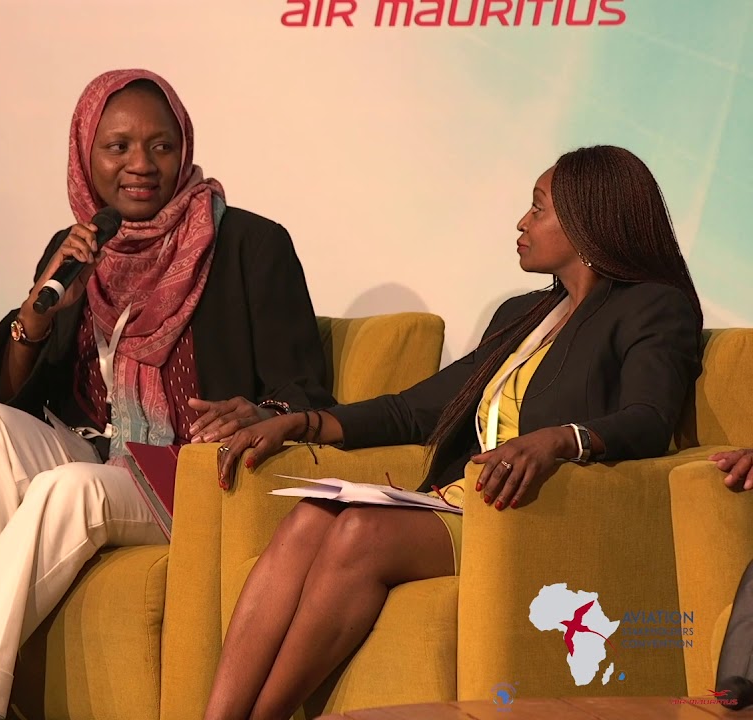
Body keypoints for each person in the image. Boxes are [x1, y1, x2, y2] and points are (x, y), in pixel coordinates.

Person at [0, 69, 333, 720]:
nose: (141, 165)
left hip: (189, 477)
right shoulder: (76, 250)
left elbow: (305, 391)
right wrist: (38, 313)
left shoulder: (250, 244)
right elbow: (7, 397)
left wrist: (260, 412)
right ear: (85, 155)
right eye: (118, 147)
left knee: (67, 488)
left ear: (184, 148)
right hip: (96, 452)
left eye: (161, 146)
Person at [204, 145, 704, 720]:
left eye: (538, 208)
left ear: (587, 220)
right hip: (459, 499)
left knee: (360, 532)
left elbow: (648, 418)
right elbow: (414, 410)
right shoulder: (522, 314)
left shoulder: (652, 308)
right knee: (308, 518)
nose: (521, 223)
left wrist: (563, 438)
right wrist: (301, 422)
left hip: (525, 514)